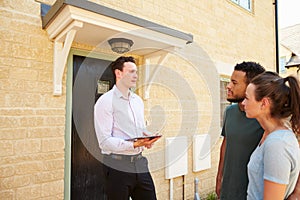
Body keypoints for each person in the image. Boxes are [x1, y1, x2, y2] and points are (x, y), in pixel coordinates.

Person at [94, 56, 160, 200]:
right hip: (117, 167)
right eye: (131, 72)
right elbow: (104, 141)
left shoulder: (138, 101)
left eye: (136, 72)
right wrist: (133, 144)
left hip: (140, 163)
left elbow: (139, 129)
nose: (135, 75)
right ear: (118, 73)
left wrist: (147, 138)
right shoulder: (105, 101)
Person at [242, 71, 300, 200]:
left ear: (264, 103)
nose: (243, 103)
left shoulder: (278, 144)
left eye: (247, 98)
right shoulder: (269, 135)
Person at [216, 61, 266, 200]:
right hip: (228, 189)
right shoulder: (229, 111)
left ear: (250, 87)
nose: (228, 86)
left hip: (253, 192)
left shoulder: (265, 118)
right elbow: (226, 143)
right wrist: (219, 177)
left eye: (234, 83)